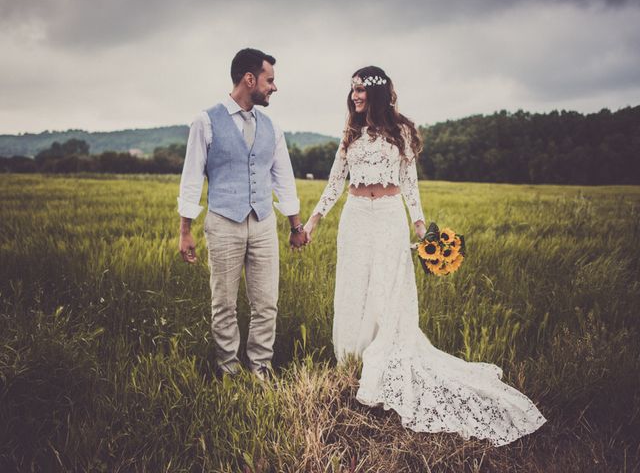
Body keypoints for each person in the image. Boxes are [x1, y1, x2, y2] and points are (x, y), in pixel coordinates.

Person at [304, 66, 546, 446]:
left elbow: (410, 185)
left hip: (387, 219)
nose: (354, 97)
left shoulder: (400, 133)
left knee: (387, 291)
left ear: (377, 94)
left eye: (360, 90)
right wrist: (314, 220)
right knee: (354, 287)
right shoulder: (350, 133)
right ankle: (352, 360)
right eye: (351, 90)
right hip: (354, 220)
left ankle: (383, 365)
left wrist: (422, 229)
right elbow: (336, 181)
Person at [178, 48, 307, 381]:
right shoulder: (205, 121)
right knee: (224, 304)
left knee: (266, 303)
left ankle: (260, 368)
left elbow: (284, 178)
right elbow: (191, 178)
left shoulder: (271, 127)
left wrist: (295, 226)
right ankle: (229, 371)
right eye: (270, 80)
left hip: (263, 224)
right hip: (223, 223)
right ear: (249, 79)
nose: (274, 87)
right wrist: (185, 230)